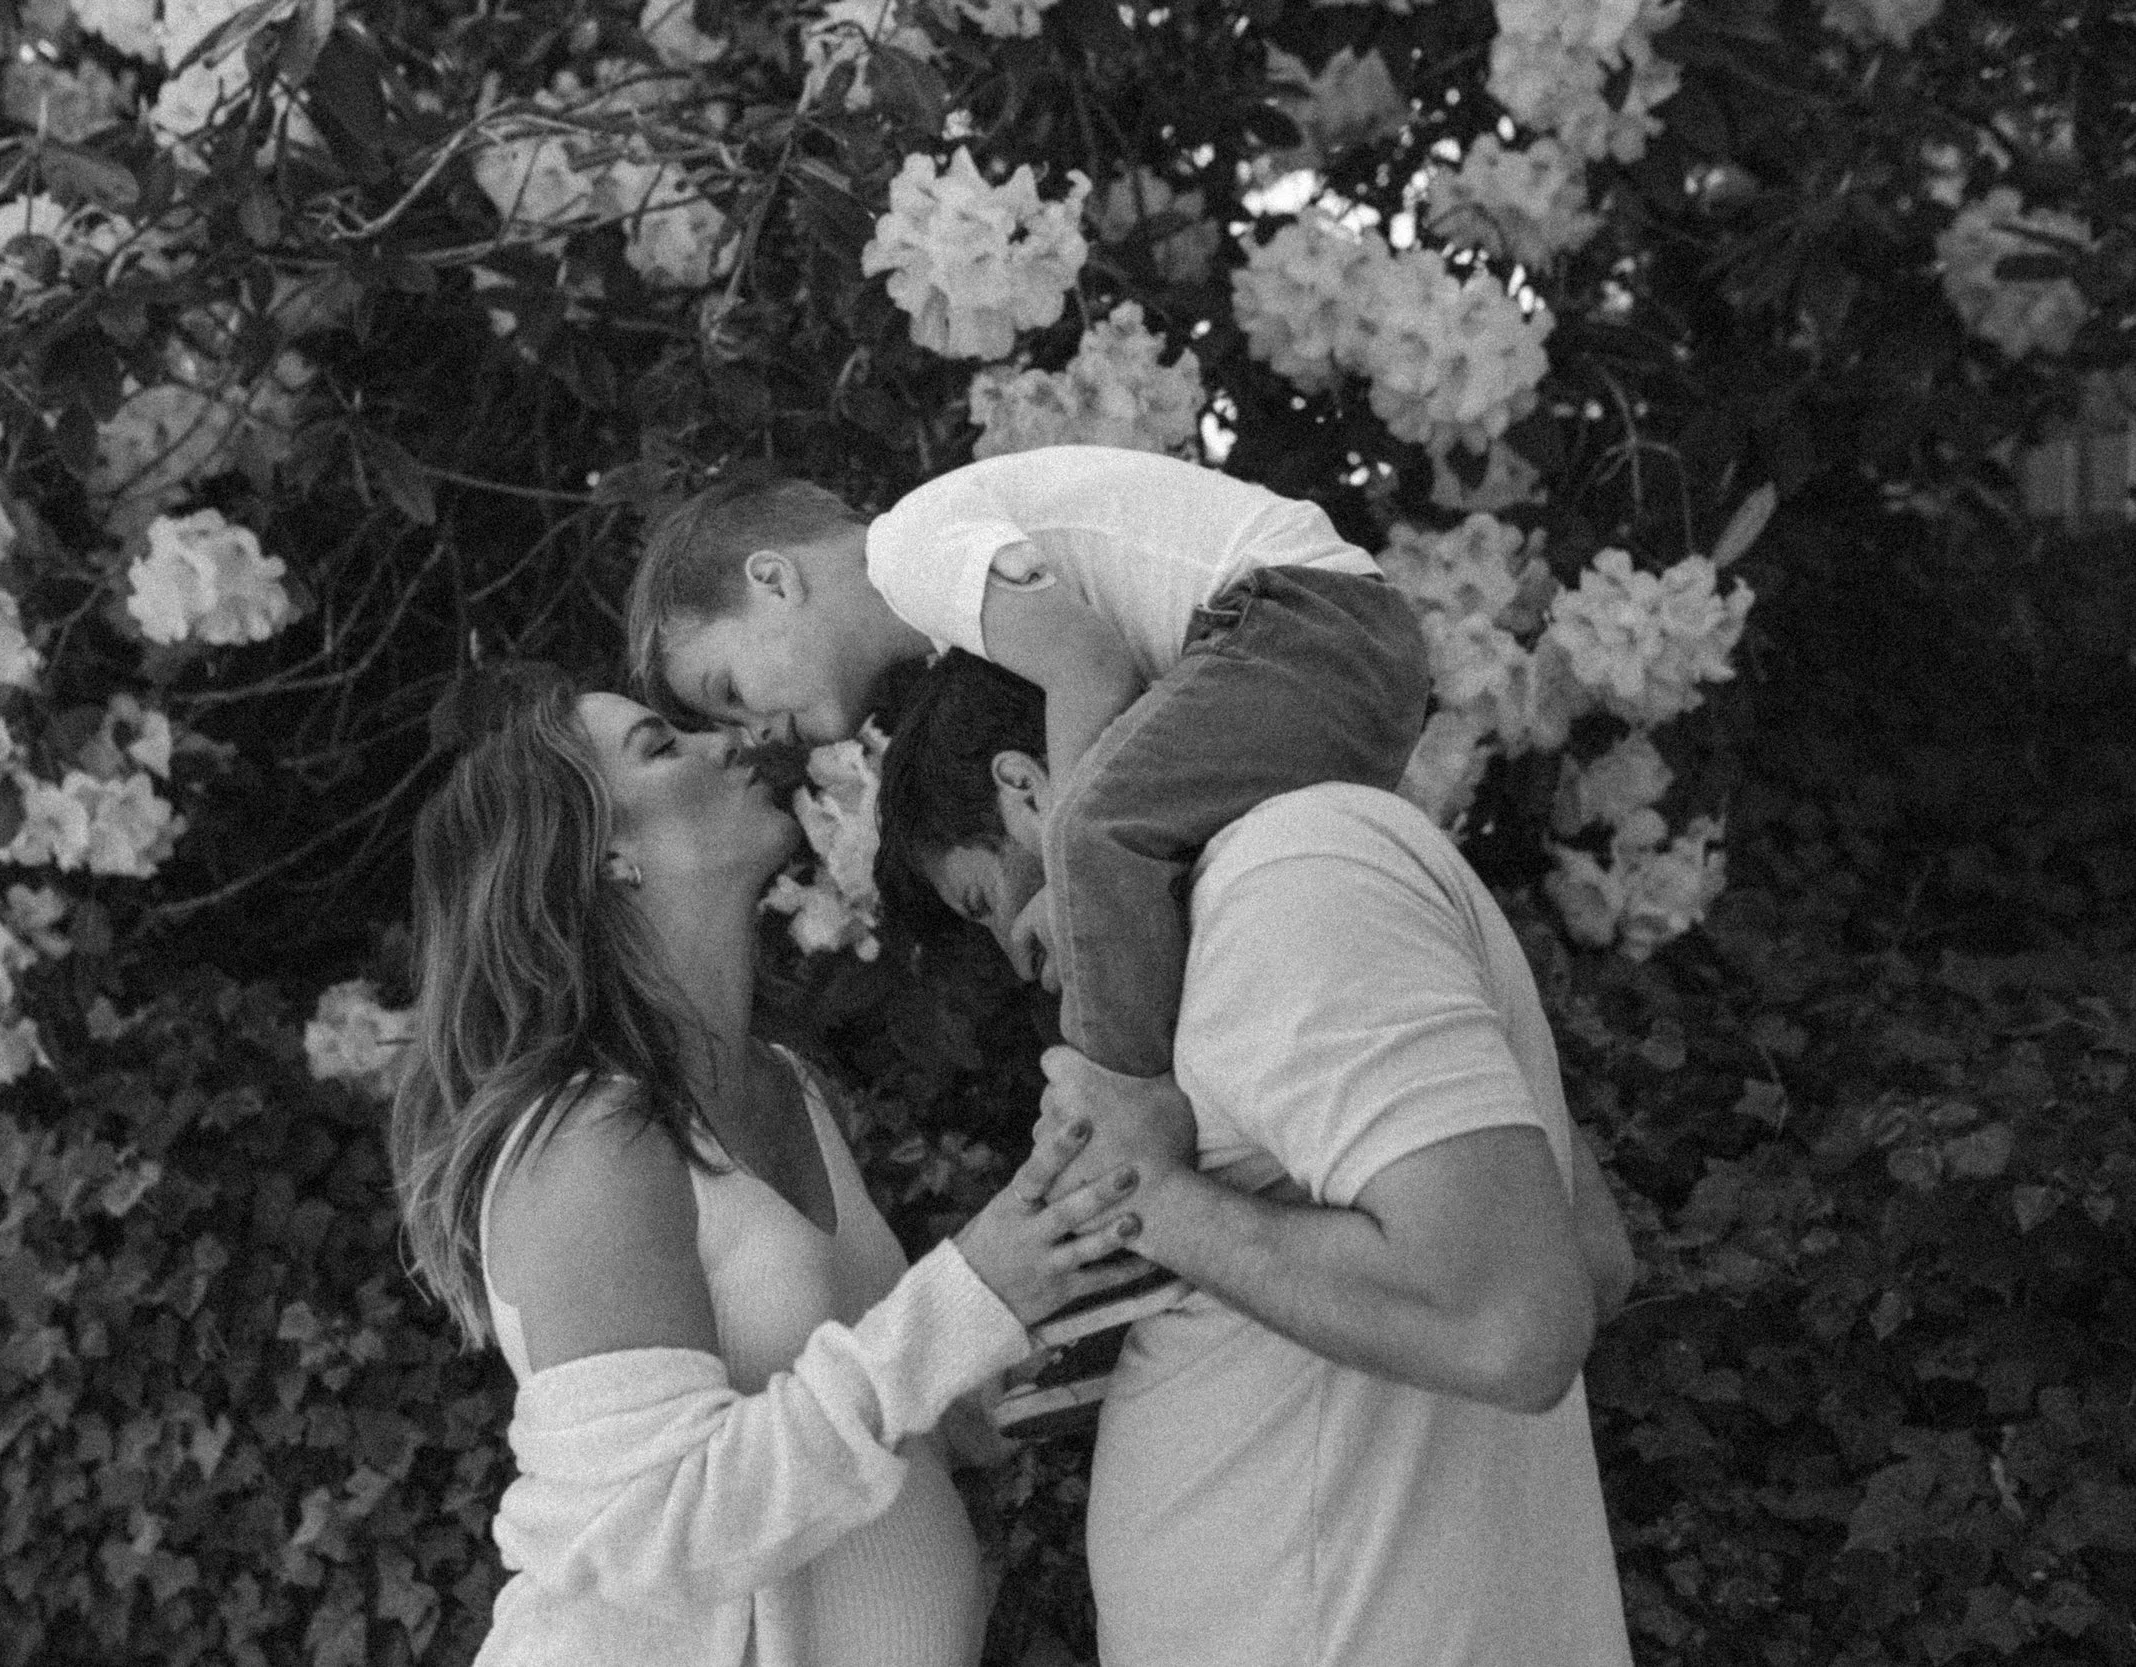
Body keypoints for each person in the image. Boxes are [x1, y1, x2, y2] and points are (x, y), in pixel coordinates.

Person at [875, 650, 1639, 1667]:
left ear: (1026, 791)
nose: (1017, 959)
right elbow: (1588, 1259)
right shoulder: (1285, 887)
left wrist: (1147, 1194)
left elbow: (1511, 1325)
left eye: (985, 902)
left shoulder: (1288, 878)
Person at [385, 661, 1154, 1667]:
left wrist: (1002, 1329)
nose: (726, 742)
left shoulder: (782, 1081)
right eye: (663, 746)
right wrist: (969, 1296)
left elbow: (856, 1399)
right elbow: (649, 1531)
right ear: (601, 852)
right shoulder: (585, 1143)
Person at [624, 445, 1430, 1083]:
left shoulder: (909, 549)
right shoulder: (951, 622)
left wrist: (1062, 881)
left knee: (1093, 837)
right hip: (1332, 648)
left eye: (729, 690)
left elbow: (1090, 668)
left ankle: (1119, 1104)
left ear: (772, 579)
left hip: (1303, 625)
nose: (754, 733)